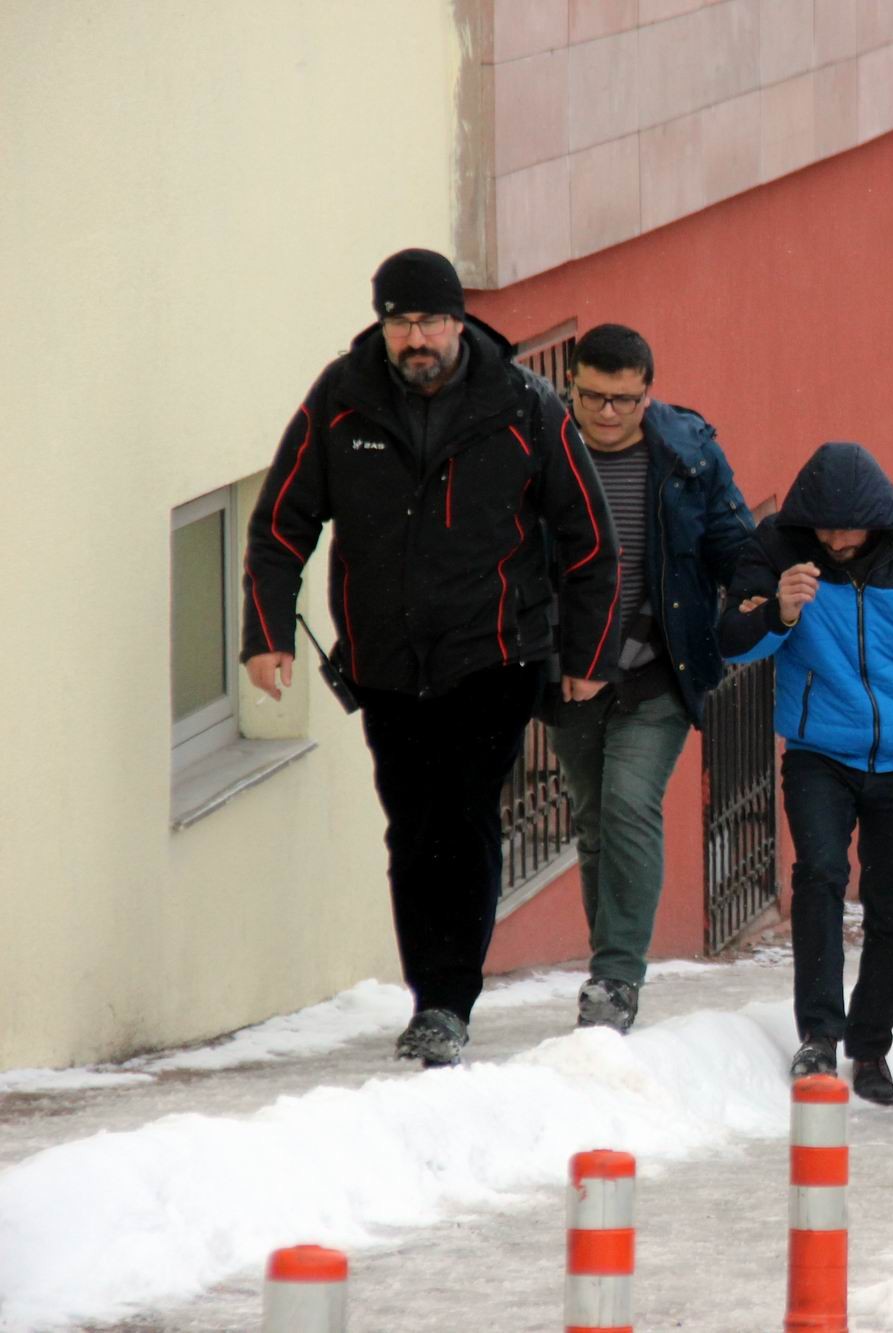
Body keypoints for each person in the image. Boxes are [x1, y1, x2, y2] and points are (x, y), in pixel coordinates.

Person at [241, 248, 618, 1067]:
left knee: (466, 815)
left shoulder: (524, 403)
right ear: (382, 324)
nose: (415, 338)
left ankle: (448, 999)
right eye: (399, 322)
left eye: (429, 321)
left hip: (497, 655)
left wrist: (587, 653)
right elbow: (279, 526)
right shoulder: (341, 400)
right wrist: (267, 631)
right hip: (386, 662)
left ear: (457, 321)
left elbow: (592, 540)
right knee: (413, 828)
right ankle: (429, 998)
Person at [717, 442, 893, 1105]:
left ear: (878, 520)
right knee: (820, 875)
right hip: (819, 750)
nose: (835, 540)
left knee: (891, 904)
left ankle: (872, 1047)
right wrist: (781, 611)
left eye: (848, 528)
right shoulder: (776, 546)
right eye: (823, 527)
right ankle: (819, 1035)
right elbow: (731, 640)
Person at [545, 324, 753, 1033]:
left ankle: (616, 976)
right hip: (570, 674)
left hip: (660, 668)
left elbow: (733, 541)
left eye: (624, 400)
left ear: (647, 395)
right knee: (596, 817)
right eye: (594, 397)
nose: (607, 413)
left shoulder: (688, 454)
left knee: (631, 803)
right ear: (571, 385)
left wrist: (760, 588)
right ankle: (610, 963)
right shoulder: (540, 451)